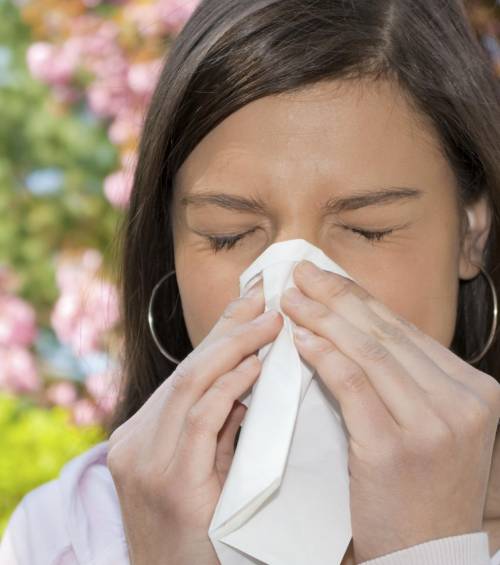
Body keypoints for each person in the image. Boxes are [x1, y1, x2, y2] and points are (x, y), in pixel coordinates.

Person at [1, 0, 500, 563]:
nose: (292, 291)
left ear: (470, 232)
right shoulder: (63, 534)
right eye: (228, 235)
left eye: (368, 230)